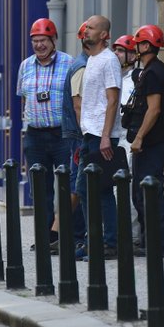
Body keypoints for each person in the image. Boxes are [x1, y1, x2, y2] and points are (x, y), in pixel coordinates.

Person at [16, 18, 73, 250]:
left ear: (53, 40)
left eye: (43, 40)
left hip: (63, 134)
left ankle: (67, 235)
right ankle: (44, 238)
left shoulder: (69, 63)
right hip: (35, 135)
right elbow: (24, 97)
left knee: (67, 185)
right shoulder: (25, 66)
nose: (39, 45)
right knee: (40, 188)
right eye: (35, 41)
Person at [74, 15, 123, 260]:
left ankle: (109, 243)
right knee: (84, 189)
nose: (86, 31)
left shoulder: (109, 60)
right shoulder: (92, 60)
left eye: (91, 28)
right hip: (89, 134)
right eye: (86, 27)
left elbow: (113, 101)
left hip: (101, 136)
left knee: (100, 191)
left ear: (104, 35)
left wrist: (106, 137)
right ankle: (93, 240)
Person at [125, 24, 164, 258]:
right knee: (141, 193)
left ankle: (159, 245)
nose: (135, 49)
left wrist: (139, 137)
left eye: (138, 44)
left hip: (151, 143)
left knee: (149, 192)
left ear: (146, 45)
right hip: (151, 142)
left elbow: (154, 110)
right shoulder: (155, 70)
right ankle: (148, 241)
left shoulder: (154, 72)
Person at [61, 21, 89, 249]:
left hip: (76, 133)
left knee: (77, 183)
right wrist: (85, 134)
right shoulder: (82, 67)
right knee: (77, 185)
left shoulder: (83, 64)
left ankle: (67, 232)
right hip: (79, 134)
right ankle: (63, 232)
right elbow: (78, 105)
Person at [113, 34, 140, 242]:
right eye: (116, 50)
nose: (117, 54)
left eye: (121, 51)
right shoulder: (114, 77)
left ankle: (131, 236)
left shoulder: (135, 80)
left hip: (128, 139)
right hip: (113, 139)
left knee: (128, 189)